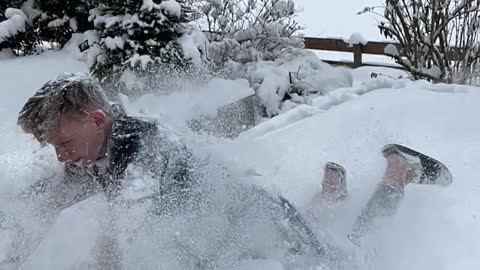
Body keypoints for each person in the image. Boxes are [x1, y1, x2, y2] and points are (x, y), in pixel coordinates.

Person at [2, 73, 324, 269]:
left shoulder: (147, 150)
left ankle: (326, 201)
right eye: (54, 147)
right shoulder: (88, 149)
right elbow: (42, 209)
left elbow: (121, 243)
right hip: (217, 239)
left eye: (64, 143)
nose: (61, 157)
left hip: (268, 229)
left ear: (98, 120)